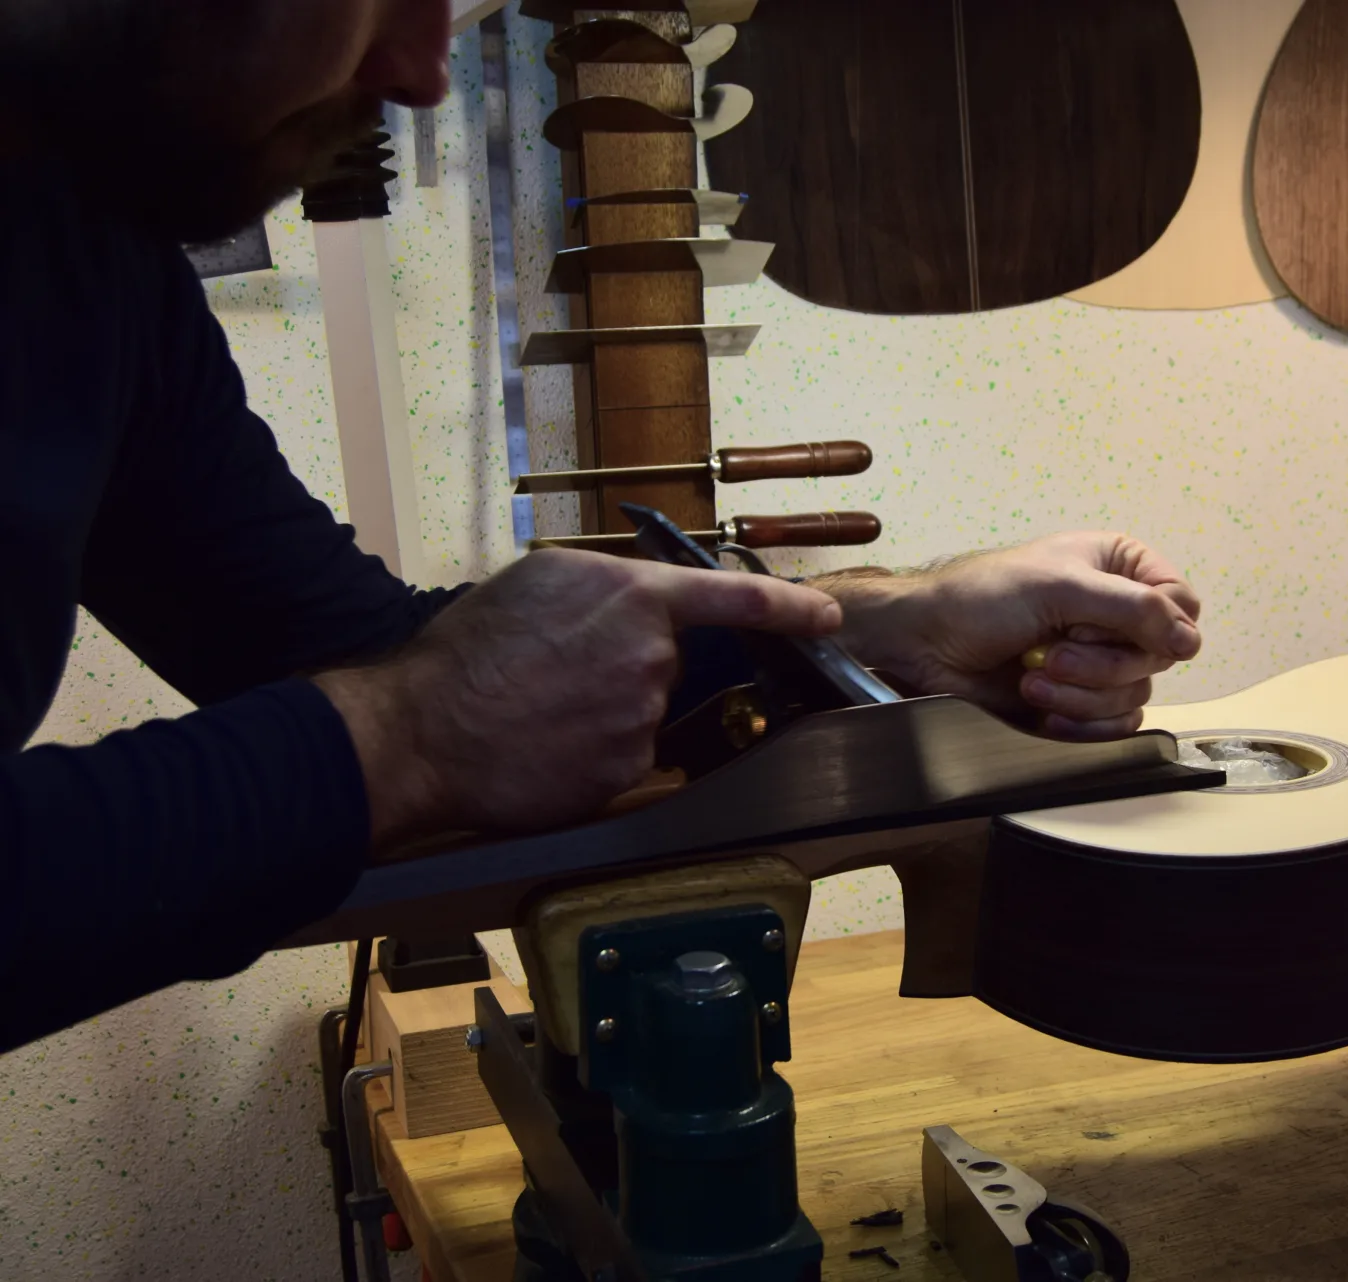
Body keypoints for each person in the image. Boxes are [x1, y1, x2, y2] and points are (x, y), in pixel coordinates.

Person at [0, 0, 1203, 1053]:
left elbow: (341, 648)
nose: (424, 69)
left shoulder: (94, 249)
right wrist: (411, 737)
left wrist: (890, 627)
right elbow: (405, 705)